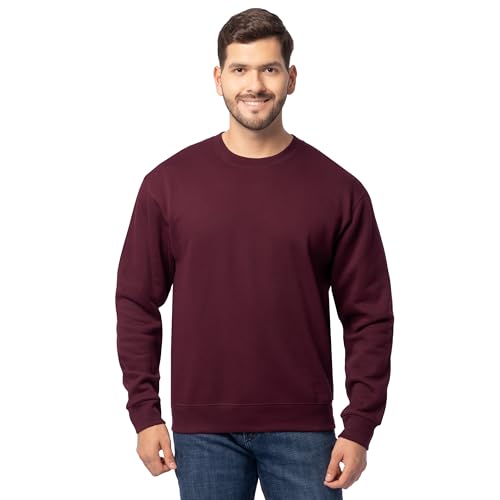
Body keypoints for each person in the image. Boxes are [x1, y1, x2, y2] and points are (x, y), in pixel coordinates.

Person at [115, 7, 394, 499]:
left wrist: (360, 425)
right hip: (202, 433)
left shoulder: (339, 191)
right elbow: (137, 301)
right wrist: (145, 412)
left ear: (292, 78)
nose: (255, 85)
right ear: (218, 79)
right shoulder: (167, 186)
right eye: (240, 69)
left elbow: (368, 314)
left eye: (269, 69)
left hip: (305, 431)